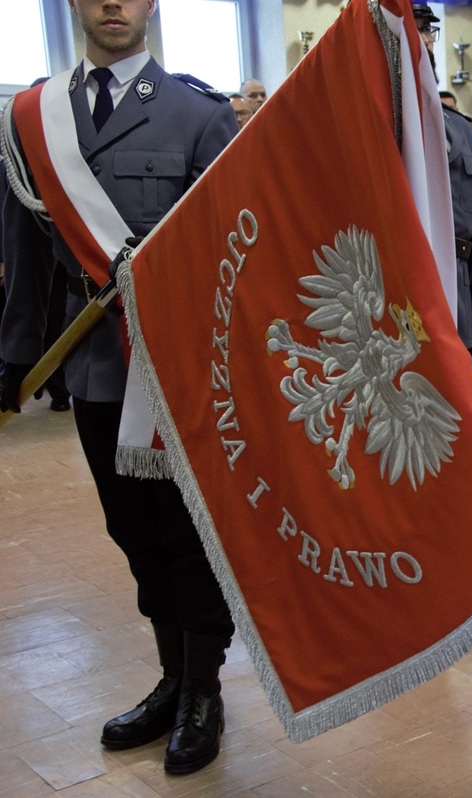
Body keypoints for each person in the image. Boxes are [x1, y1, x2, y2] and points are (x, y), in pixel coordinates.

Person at [0, 0, 236, 774]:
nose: (114, 5)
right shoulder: (36, 117)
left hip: (178, 372)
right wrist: (15, 353)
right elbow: (26, 251)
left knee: (190, 535)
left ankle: (203, 690)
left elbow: (230, 253)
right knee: (133, 530)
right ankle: (170, 678)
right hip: (96, 368)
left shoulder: (199, 116)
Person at [415, 4, 472, 368]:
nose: (423, 40)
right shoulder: (376, 124)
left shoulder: (460, 129)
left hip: (458, 293)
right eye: (414, 29)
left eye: (426, 31)